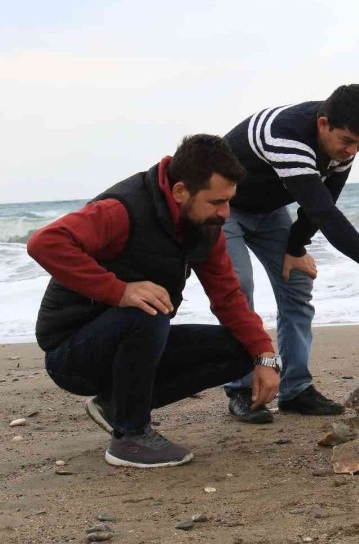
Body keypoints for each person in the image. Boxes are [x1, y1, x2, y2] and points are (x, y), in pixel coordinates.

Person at [27, 134, 282, 467]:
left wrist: (264, 354)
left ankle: (116, 407)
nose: (226, 212)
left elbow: (228, 297)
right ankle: (129, 438)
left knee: (241, 347)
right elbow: (44, 243)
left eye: (229, 201)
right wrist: (119, 290)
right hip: (72, 353)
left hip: (132, 341)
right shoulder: (123, 209)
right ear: (180, 192)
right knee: (147, 309)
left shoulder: (205, 225)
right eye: (217, 202)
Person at [221, 84, 359, 422]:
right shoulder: (285, 135)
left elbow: (323, 201)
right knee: (239, 286)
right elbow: (323, 211)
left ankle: (296, 389)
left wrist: (295, 247)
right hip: (223, 208)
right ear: (323, 124)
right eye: (348, 141)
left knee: (296, 284)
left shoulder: (342, 148)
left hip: (268, 210)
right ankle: (241, 387)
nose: (353, 150)